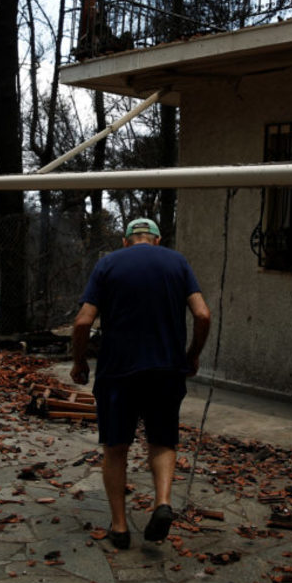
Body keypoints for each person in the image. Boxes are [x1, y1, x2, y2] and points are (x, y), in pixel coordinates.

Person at [71, 217, 211, 550]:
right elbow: (202, 314)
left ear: (125, 241)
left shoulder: (108, 264)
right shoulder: (177, 262)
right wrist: (191, 356)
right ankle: (162, 503)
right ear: (158, 240)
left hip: (118, 372)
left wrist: (79, 362)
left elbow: (82, 321)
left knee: (116, 448)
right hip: (166, 370)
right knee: (162, 442)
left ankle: (119, 527)